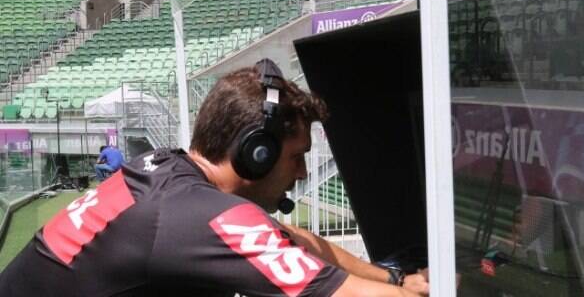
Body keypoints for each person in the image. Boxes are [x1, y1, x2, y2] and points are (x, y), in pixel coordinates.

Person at [0, 59, 429, 297]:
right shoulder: (195, 215)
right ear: (254, 153)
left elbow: (292, 241)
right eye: (297, 157)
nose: (300, 173)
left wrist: (394, 278)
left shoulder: (169, 174)